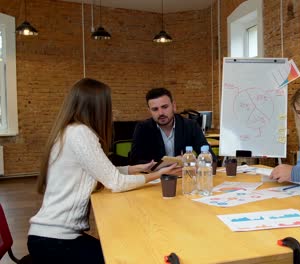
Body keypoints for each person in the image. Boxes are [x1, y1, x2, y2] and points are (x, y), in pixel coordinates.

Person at [27, 78, 181, 264]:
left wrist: (133, 169)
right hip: (55, 242)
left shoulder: (70, 131)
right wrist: (157, 175)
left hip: (51, 236)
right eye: (108, 105)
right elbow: (114, 182)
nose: (111, 111)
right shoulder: (81, 133)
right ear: (97, 107)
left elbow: (100, 170)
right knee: (128, 257)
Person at [129, 88, 216, 165]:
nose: (161, 113)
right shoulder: (143, 128)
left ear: (174, 106)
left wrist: (191, 161)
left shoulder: (190, 126)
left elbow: (210, 157)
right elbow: (134, 161)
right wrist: (169, 163)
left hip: (184, 177)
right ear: (149, 111)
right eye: (155, 109)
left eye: (165, 107)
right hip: (155, 178)